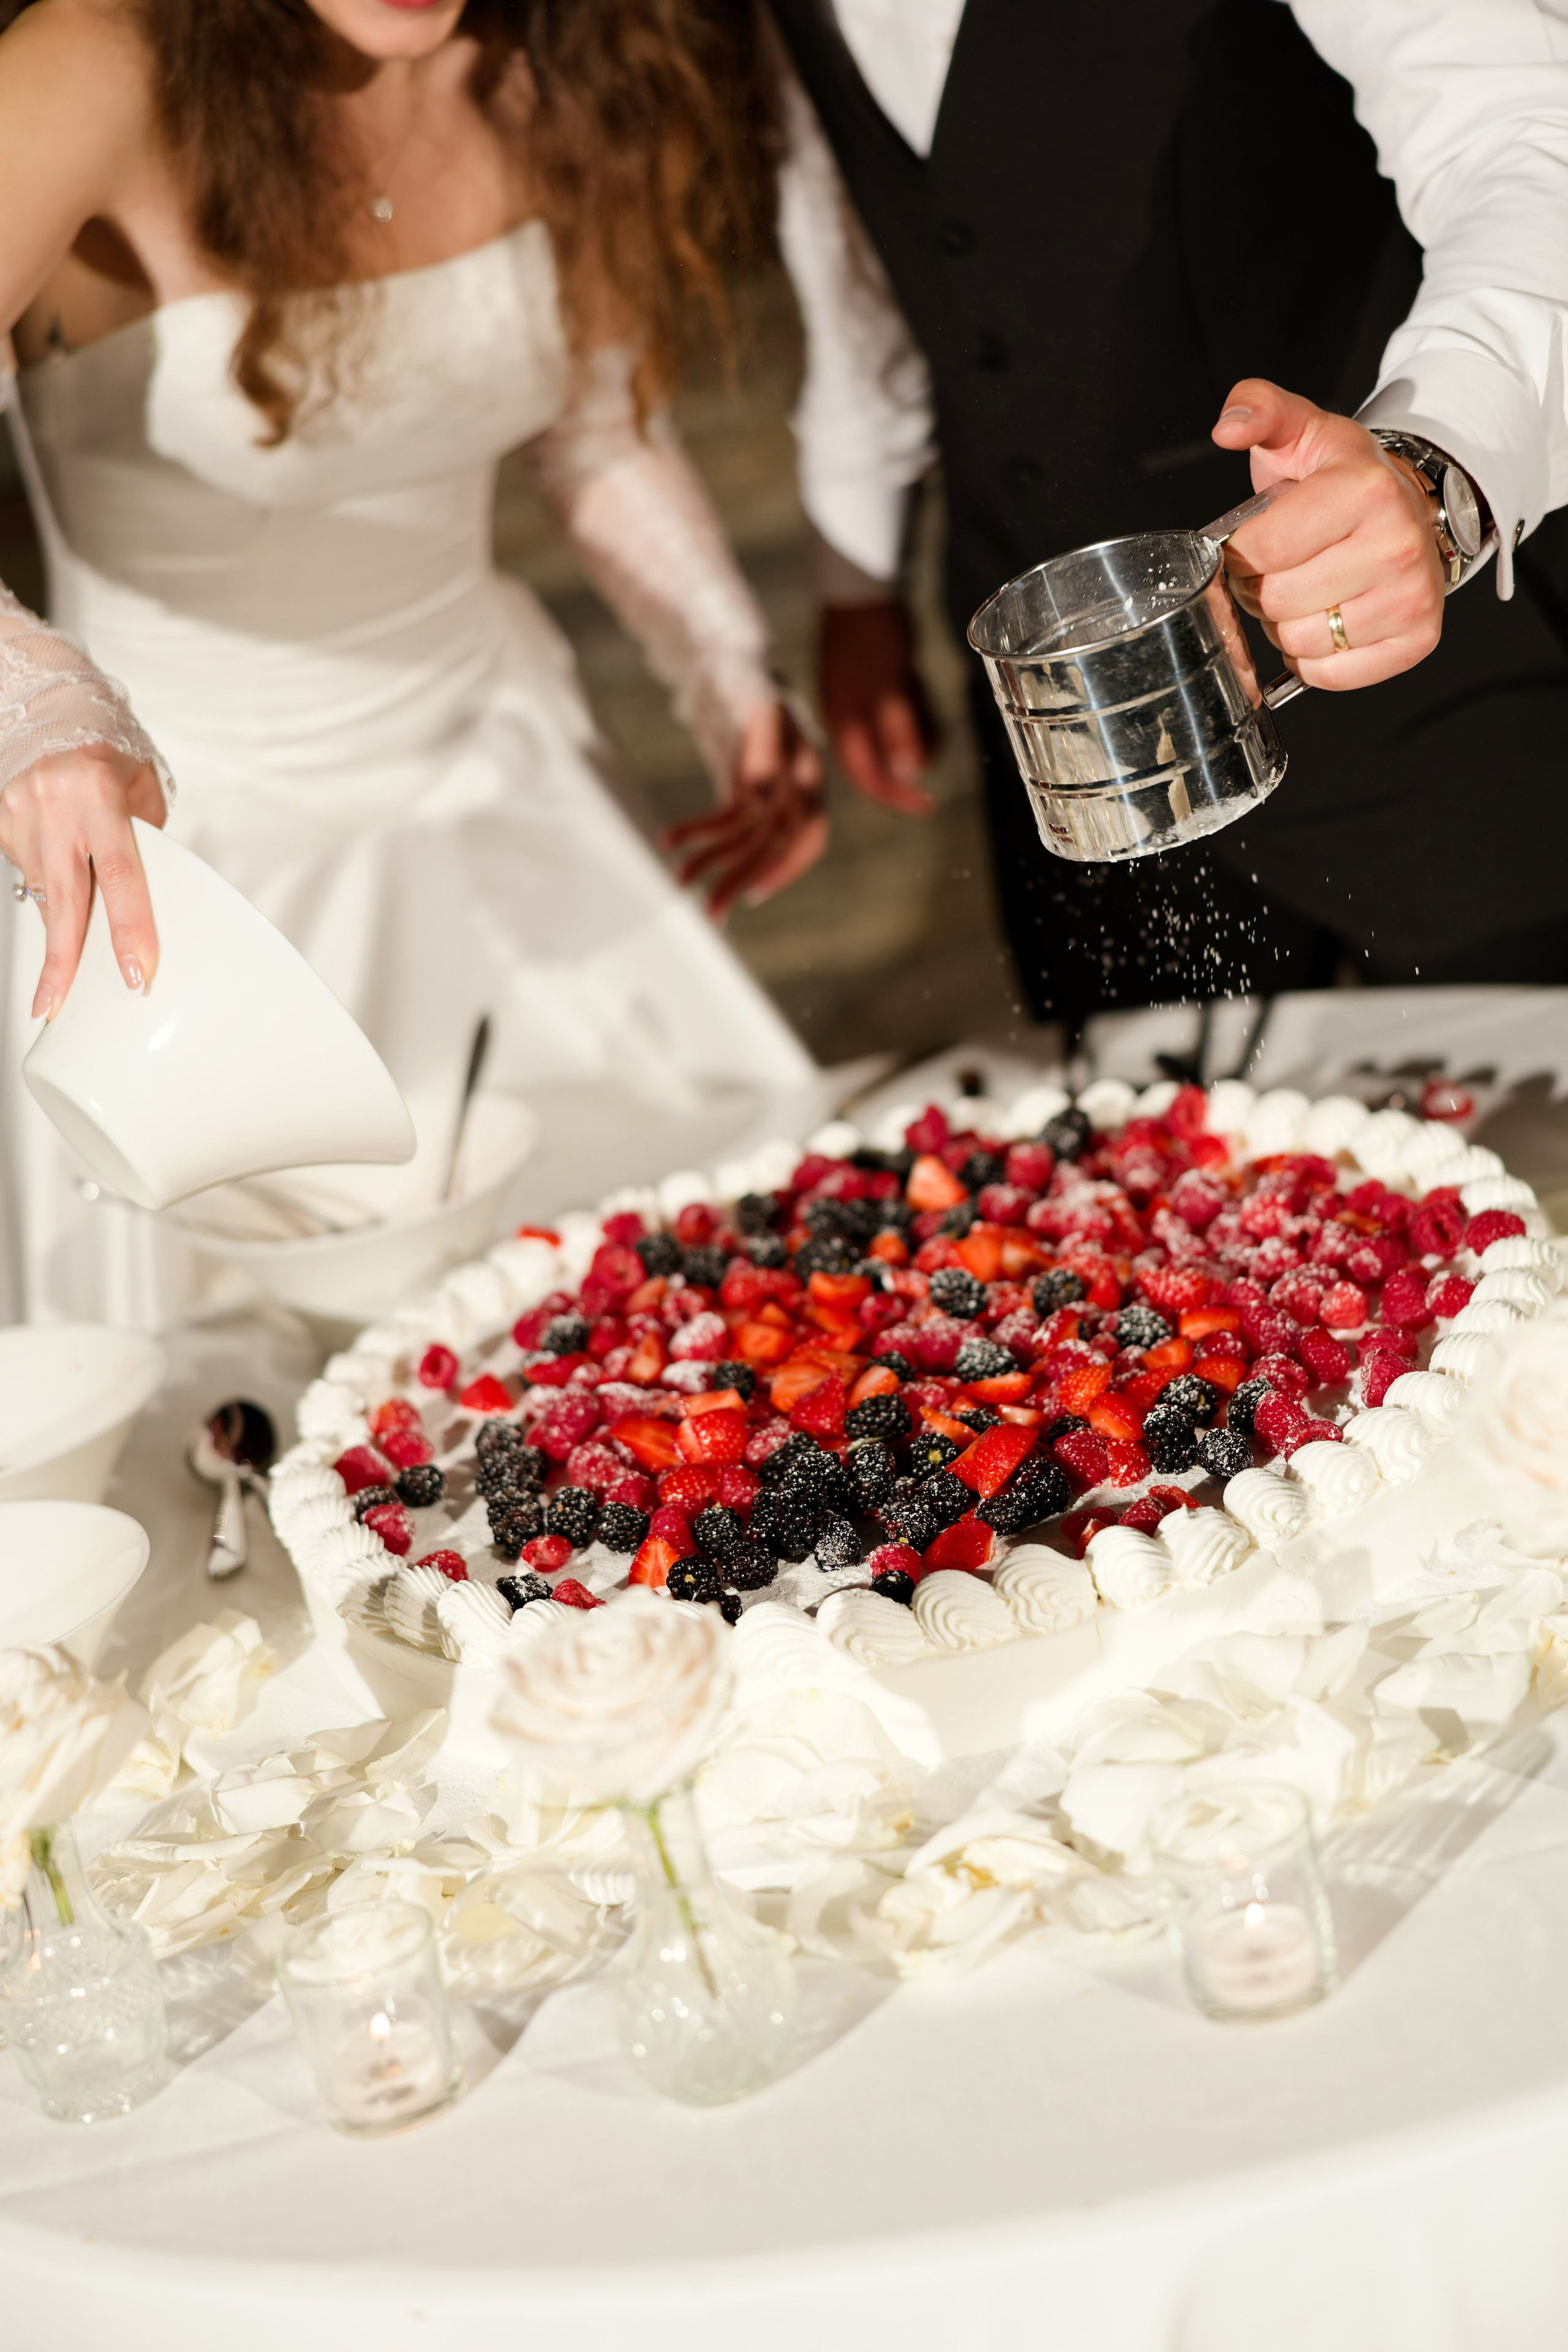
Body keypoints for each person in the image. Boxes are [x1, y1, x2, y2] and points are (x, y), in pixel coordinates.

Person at [0, 0, 827, 1326]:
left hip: (505, 790)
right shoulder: (95, 65)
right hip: (195, 853)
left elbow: (597, 431)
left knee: (651, 1321)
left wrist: (727, 671)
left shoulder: (573, 50)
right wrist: (34, 709)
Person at [769, 0, 1568, 1035]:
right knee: (1134, 1126)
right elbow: (848, 232)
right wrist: (856, 569)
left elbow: (1524, 128)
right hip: (1075, 727)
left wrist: (1435, 461)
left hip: (1427, 685)